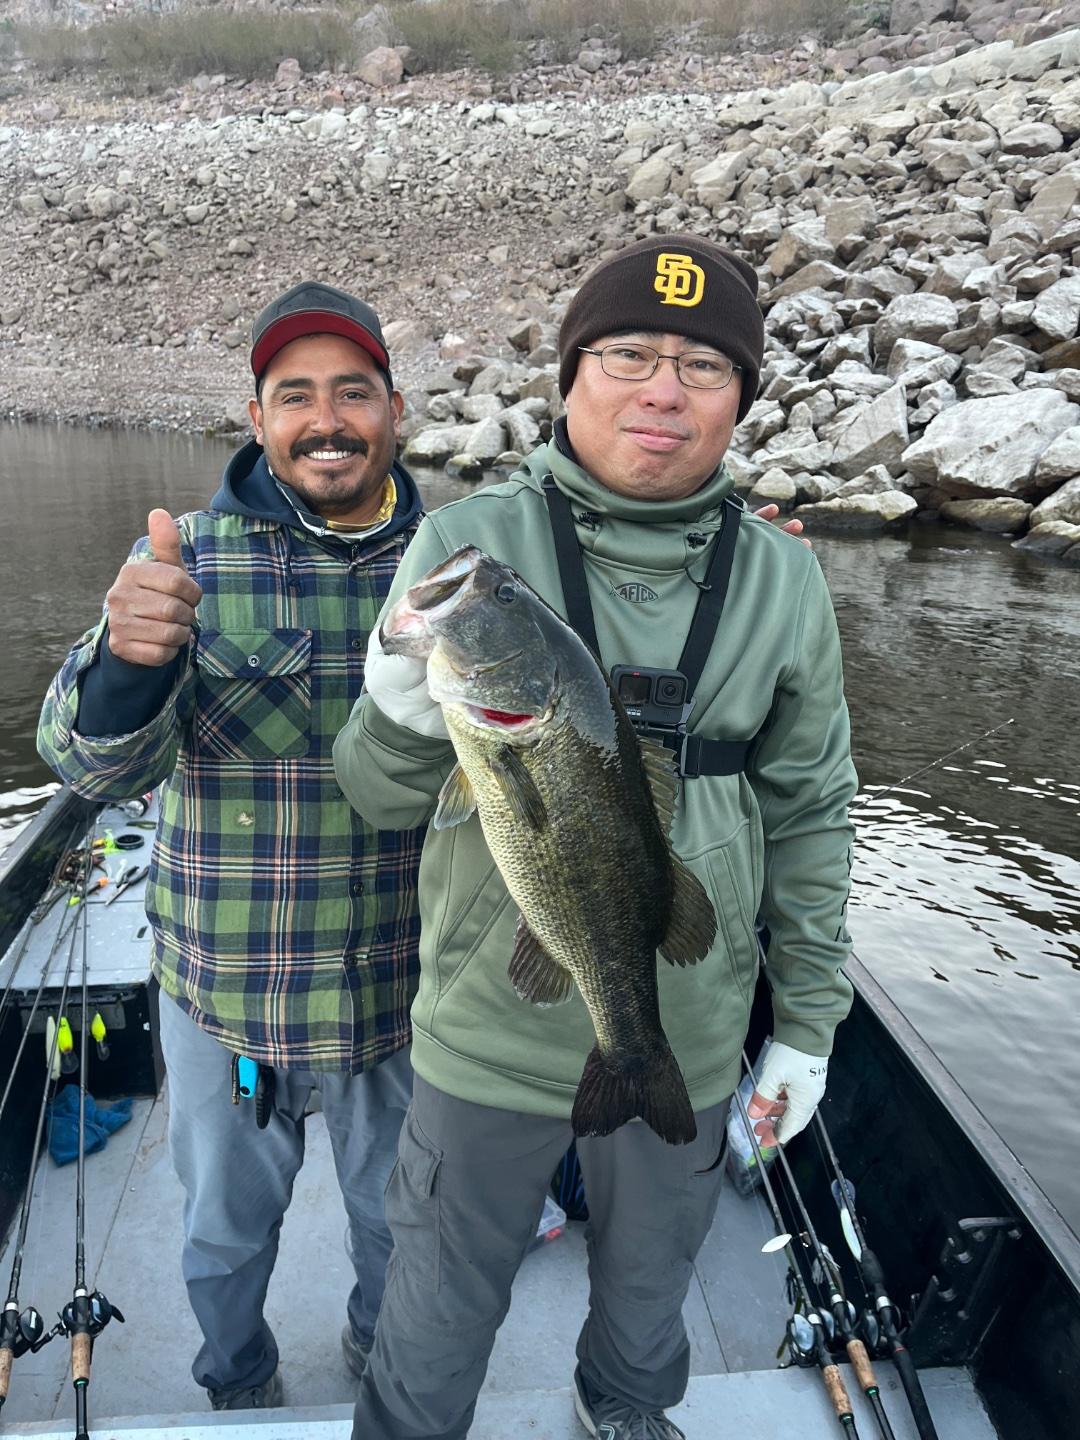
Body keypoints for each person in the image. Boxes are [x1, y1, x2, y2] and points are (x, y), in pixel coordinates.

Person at [332, 233, 858, 1440]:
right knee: (434, 1308)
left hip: (692, 1026)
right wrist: (403, 705)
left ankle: (622, 1409)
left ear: (739, 400)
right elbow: (375, 792)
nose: (662, 389)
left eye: (703, 366)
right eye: (627, 353)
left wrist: (809, 1025)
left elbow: (813, 812)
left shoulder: (784, 579)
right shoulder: (468, 549)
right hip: (486, 1028)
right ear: (571, 375)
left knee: (650, 1289)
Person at [37, 282, 426, 1410]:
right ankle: (238, 1379)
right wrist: (128, 665)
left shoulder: (455, 564)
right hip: (227, 996)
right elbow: (94, 768)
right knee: (221, 1231)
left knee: (404, 1227)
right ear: (257, 419)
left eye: (353, 392)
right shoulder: (183, 559)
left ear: (395, 410)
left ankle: (380, 1359)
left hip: (406, 996)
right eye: (295, 395)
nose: (327, 420)